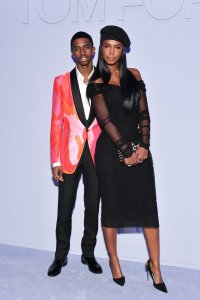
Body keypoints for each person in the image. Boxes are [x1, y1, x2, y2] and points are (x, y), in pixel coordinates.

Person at [87, 25, 167, 292]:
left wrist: (143, 146)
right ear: (101, 48)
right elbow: (105, 121)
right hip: (110, 153)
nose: (111, 52)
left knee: (149, 210)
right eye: (107, 46)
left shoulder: (134, 75)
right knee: (110, 209)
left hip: (140, 150)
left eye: (117, 47)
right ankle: (114, 261)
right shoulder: (96, 82)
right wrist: (126, 149)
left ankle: (155, 266)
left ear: (123, 50)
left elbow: (144, 113)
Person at [48, 32, 102, 277]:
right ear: (72, 52)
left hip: (98, 153)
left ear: (93, 50)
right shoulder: (60, 82)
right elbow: (56, 122)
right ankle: (60, 256)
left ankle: (88, 253)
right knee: (64, 207)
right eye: (77, 48)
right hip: (69, 154)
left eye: (86, 47)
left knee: (92, 206)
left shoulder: (105, 79)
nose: (82, 52)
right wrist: (55, 160)